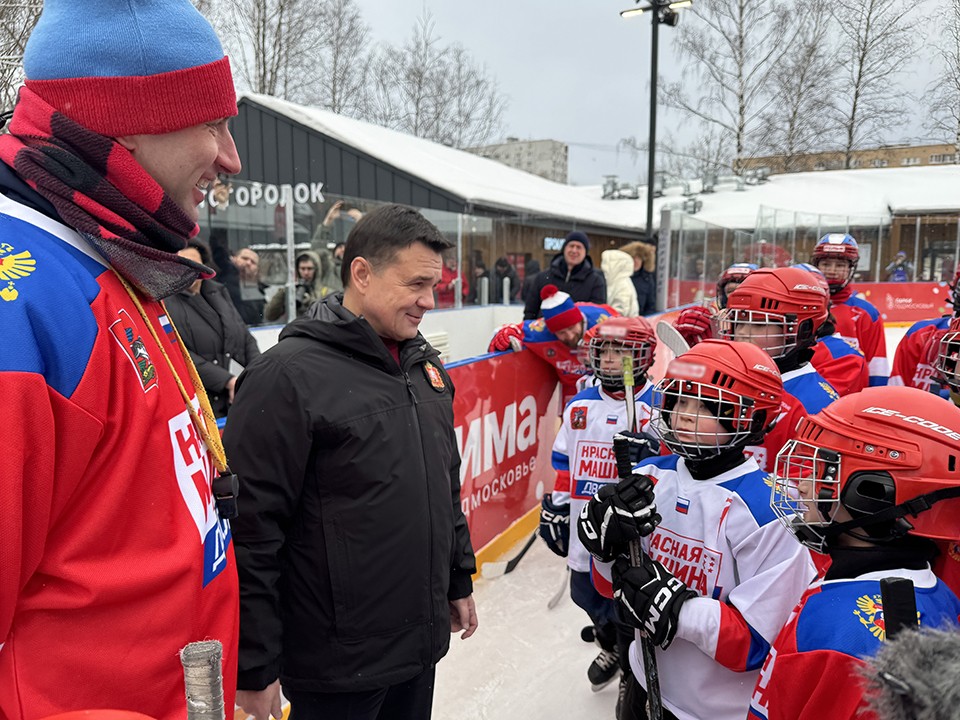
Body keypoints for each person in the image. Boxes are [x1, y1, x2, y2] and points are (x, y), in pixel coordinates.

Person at [0, 0, 243, 717]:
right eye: (214, 122)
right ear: (129, 122)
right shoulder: (24, 304)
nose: (231, 157)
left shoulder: (109, 256)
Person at [225, 204, 477, 720]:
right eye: (416, 285)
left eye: (435, 286)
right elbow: (250, 531)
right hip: (335, 666)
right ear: (361, 273)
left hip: (416, 646)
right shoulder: (286, 376)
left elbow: (442, 483)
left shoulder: (423, 365)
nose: (429, 302)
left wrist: (457, 579)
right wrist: (254, 664)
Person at [578, 341, 816, 720]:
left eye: (706, 406)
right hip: (645, 682)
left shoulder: (772, 513)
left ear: (751, 420)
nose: (686, 416)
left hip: (717, 711)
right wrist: (603, 551)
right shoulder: (648, 477)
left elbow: (757, 643)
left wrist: (676, 609)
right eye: (680, 402)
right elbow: (610, 587)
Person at [749, 386, 960, 720]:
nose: (802, 484)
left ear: (874, 494)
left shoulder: (843, 639)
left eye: (825, 471)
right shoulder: (936, 592)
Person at [539, 317, 659, 702]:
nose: (610, 359)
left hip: (632, 534)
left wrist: (654, 454)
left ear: (642, 356)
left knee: (630, 609)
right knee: (586, 596)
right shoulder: (581, 404)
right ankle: (609, 644)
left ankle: (630, 667)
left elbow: (675, 471)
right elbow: (564, 461)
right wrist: (557, 507)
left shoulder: (659, 405)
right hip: (584, 527)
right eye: (604, 350)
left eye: (620, 351)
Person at [164, 239, 261, 418]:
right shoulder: (166, 303)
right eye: (181, 264)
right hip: (206, 407)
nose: (188, 270)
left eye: (194, 264)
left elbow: (244, 335)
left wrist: (256, 374)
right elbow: (178, 353)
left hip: (239, 400)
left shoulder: (219, 292)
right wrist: (227, 381)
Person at [488, 284, 617, 406]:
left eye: (572, 328)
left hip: (610, 388)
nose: (570, 336)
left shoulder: (604, 320)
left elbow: (632, 331)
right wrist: (505, 334)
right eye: (562, 333)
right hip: (572, 392)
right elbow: (512, 330)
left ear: (580, 320)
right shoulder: (541, 332)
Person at [810, 233, 888, 386]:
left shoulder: (866, 313)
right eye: (826, 264)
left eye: (840, 265)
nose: (832, 270)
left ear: (851, 268)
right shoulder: (802, 306)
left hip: (851, 399)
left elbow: (877, 365)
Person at [524, 231, 607, 319]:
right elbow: (531, 311)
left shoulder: (595, 281)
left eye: (579, 247)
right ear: (564, 248)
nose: (574, 250)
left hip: (577, 332)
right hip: (545, 330)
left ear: (585, 252)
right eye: (571, 246)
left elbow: (597, 314)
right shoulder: (543, 277)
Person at [672, 262, 757, 347]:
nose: (735, 296)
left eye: (742, 291)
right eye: (730, 291)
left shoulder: (768, 325)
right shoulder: (718, 323)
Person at [263, 250, 334, 322]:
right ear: (297, 269)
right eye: (302, 269)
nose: (306, 273)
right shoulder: (293, 290)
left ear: (316, 270)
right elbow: (270, 315)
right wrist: (283, 293)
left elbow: (329, 316)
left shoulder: (326, 292)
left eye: (309, 269)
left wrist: (310, 302)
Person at [620, 241, 657, 315]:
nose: (636, 261)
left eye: (639, 258)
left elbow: (650, 306)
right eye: (633, 258)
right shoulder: (620, 277)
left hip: (639, 320)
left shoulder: (647, 279)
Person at [601, 248, 640, 317]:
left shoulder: (622, 284)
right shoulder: (616, 281)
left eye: (605, 263)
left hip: (618, 326)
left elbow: (620, 310)